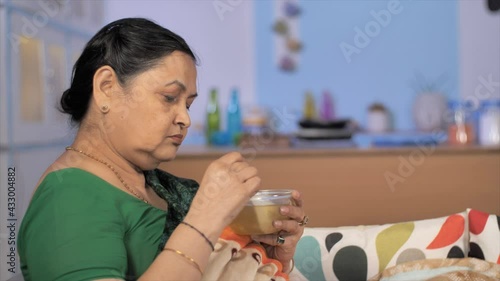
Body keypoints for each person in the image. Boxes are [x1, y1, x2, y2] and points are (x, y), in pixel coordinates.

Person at [17, 17, 307, 280]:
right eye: (170, 98)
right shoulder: (67, 197)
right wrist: (206, 216)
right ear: (106, 88)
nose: (186, 119)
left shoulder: (158, 185)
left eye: (189, 104)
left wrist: (275, 257)